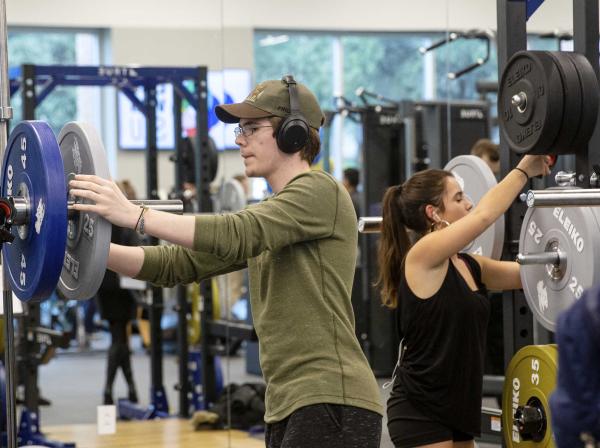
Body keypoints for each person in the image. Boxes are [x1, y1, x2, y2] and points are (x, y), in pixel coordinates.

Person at [69, 76, 383, 448]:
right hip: (287, 402)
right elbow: (179, 264)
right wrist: (79, 250)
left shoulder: (321, 191)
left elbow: (237, 231)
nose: (239, 140)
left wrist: (133, 213)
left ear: (293, 134)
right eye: (240, 129)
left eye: (251, 128)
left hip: (332, 396)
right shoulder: (273, 214)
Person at [377, 155, 550, 447]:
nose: (468, 203)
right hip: (421, 409)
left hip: (457, 409)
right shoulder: (423, 255)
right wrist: (524, 170)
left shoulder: (470, 266)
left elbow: (534, 274)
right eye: (458, 198)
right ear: (433, 213)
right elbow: (483, 217)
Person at [96, 180, 140, 405]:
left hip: (104, 284)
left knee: (120, 340)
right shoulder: (127, 219)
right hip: (122, 288)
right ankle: (109, 390)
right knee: (119, 341)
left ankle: (128, 391)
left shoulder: (104, 217)